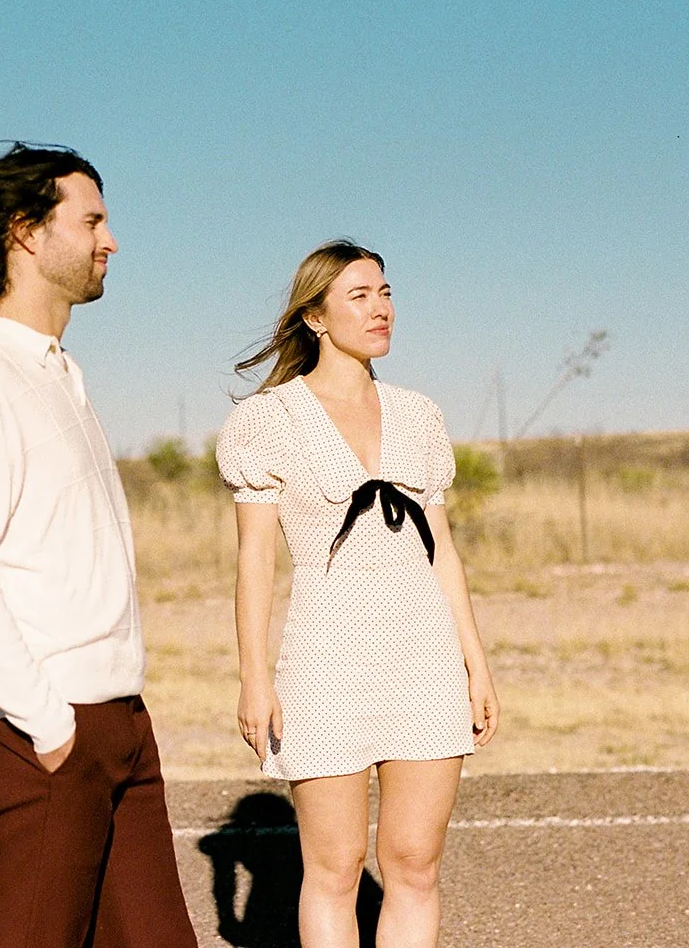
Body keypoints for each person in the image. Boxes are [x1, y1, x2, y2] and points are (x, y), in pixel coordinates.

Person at [0, 143, 199, 948]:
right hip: (46, 729)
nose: (111, 239)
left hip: (120, 721)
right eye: (92, 220)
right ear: (26, 231)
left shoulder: (59, 373)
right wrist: (46, 723)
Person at [216, 239, 499, 948]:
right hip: (325, 662)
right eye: (360, 296)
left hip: (425, 659)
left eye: (386, 293)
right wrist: (254, 678)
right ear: (315, 317)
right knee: (335, 869)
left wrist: (476, 663)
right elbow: (255, 561)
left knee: (414, 864)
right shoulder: (269, 420)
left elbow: (443, 551)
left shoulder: (418, 414)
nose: (381, 309)